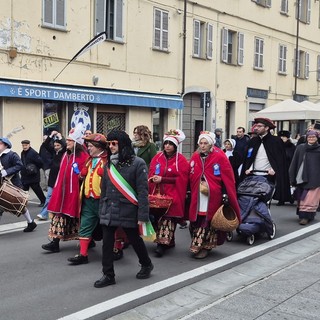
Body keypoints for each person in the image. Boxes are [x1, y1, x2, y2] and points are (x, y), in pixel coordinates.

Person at [94, 130, 153, 288]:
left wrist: (143, 216)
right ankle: (108, 275)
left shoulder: (138, 163)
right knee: (107, 243)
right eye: (109, 143)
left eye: (114, 143)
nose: (111, 146)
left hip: (128, 210)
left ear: (123, 144)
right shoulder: (108, 164)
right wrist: (102, 212)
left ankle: (146, 264)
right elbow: (104, 189)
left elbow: (142, 192)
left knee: (134, 240)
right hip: (109, 209)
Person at [188, 131, 241, 259]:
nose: (203, 145)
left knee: (208, 221)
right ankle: (199, 244)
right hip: (198, 195)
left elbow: (227, 178)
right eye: (201, 143)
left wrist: (223, 193)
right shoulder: (195, 157)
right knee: (196, 220)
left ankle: (204, 246)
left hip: (213, 196)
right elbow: (191, 174)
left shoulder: (219, 156)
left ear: (211, 143)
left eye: (205, 143)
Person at [41, 125, 89, 253]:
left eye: (70, 140)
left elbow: (85, 176)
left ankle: (89, 240)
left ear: (76, 143)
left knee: (80, 219)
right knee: (58, 216)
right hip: (62, 193)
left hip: (75, 194)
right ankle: (55, 242)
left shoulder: (83, 156)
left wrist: (79, 173)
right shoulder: (66, 155)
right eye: (67, 140)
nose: (67, 142)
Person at [113, 125, 157, 260]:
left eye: (137, 133)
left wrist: (144, 173)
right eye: (134, 133)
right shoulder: (131, 146)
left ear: (143, 134)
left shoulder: (150, 146)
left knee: (138, 206)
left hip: (142, 176)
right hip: (127, 179)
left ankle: (149, 225)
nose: (135, 135)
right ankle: (123, 240)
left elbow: (153, 162)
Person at [68, 133, 108, 265]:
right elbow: (84, 176)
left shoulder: (108, 160)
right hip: (88, 200)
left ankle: (115, 250)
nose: (88, 148)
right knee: (84, 226)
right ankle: (83, 255)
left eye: (90, 146)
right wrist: (80, 175)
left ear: (98, 146)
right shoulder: (90, 160)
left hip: (103, 201)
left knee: (111, 227)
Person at [148, 129, 189, 257]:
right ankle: (168, 241)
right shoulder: (157, 158)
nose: (167, 146)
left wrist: (163, 179)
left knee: (168, 218)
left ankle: (162, 244)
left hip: (173, 194)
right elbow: (150, 172)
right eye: (166, 143)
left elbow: (183, 179)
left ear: (175, 146)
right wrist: (153, 178)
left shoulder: (181, 160)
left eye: (170, 144)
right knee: (156, 218)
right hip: (157, 193)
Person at [241, 118, 292, 205]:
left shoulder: (276, 141)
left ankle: (264, 216)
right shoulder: (253, 141)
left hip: (268, 175)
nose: (257, 128)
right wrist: (248, 168)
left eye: (260, 126)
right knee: (251, 199)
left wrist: (273, 169)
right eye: (256, 126)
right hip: (252, 174)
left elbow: (279, 159)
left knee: (263, 200)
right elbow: (249, 157)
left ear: (267, 128)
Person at [0, 137, 37, 232]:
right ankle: (31, 223)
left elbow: (19, 165)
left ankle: (30, 222)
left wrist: (6, 172)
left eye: (0, 144)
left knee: (21, 206)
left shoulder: (12, 154)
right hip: (3, 185)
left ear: (5, 145)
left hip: (13, 184)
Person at [289, 130, 320, 225]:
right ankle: (303, 215)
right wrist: (292, 176)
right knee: (302, 198)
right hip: (301, 176)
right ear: (306, 138)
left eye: (313, 137)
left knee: (310, 198)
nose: (311, 139)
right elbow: (294, 162)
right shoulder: (300, 148)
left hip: (315, 178)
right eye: (309, 137)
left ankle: (305, 217)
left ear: (317, 138)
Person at [37, 131, 66, 220]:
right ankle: (44, 213)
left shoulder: (64, 152)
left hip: (60, 178)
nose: (56, 147)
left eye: (58, 145)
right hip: (52, 179)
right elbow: (45, 145)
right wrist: (51, 135)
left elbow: (65, 145)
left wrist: (60, 137)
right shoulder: (54, 152)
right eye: (55, 146)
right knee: (49, 196)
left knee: (58, 197)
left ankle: (58, 212)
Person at [20, 140, 46, 207]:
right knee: (24, 190)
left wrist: (34, 168)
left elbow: (40, 162)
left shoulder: (33, 153)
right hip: (25, 175)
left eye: (26, 145)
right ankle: (23, 202)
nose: (24, 147)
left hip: (33, 175)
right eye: (23, 145)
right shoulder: (22, 153)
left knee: (36, 189)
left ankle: (43, 201)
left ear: (29, 145)